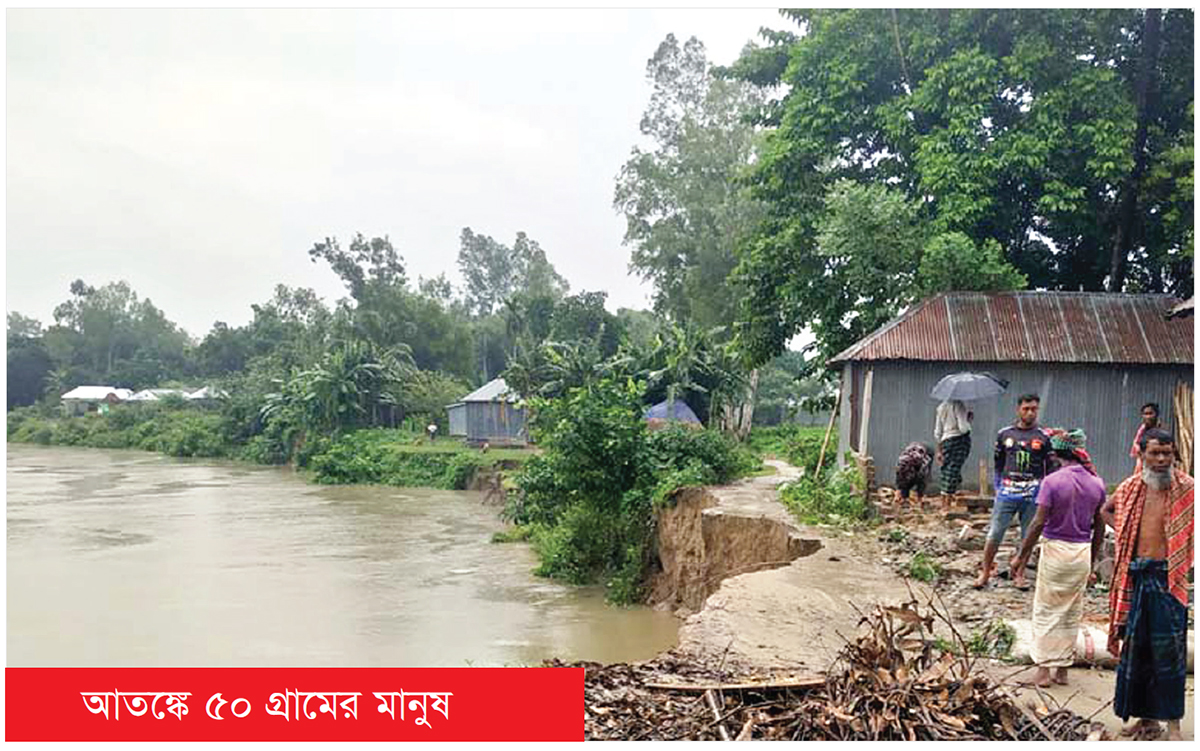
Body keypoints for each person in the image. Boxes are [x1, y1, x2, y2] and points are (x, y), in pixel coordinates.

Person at [1100, 428, 1193, 741]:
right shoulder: (1129, 489)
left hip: (1170, 580)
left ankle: (1174, 726)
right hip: (1135, 577)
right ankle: (1146, 719)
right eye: (1155, 453)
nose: (1162, 459)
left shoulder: (1188, 489)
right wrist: (1123, 533)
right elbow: (1105, 510)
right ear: (1141, 454)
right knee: (1137, 653)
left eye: (1167, 453)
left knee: (1170, 654)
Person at [1009, 429, 1106, 688]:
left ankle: (1042, 671)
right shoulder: (1097, 483)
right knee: (1071, 611)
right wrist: (1093, 562)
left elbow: (1038, 523)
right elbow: (1100, 527)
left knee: (1046, 610)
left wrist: (1021, 556)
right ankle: (1062, 669)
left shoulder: (1052, 482)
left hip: (1056, 550)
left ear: (1057, 453)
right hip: (1082, 552)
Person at [974, 393, 1050, 590]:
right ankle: (985, 573)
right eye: (1026, 409)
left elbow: (1049, 467)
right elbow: (998, 462)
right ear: (1018, 410)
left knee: (1027, 536)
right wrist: (998, 486)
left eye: (1034, 409)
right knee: (995, 533)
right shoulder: (1005, 434)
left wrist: (1042, 491)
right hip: (1007, 493)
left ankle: (1020, 574)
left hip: (1032, 495)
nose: (1030, 413)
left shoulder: (1043, 437)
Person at [934, 398, 972, 512]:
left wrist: (939, 450)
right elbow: (963, 428)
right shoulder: (958, 404)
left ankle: (944, 502)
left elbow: (937, 432)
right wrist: (968, 419)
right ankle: (947, 505)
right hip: (958, 440)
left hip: (945, 441)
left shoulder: (940, 407)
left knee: (947, 470)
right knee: (953, 470)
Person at [894, 442, 933, 510]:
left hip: (926, 450)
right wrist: (899, 491)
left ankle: (919, 500)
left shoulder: (921, 463)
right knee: (904, 483)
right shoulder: (901, 466)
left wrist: (919, 496)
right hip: (913, 454)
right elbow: (900, 480)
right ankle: (905, 500)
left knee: (921, 479)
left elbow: (922, 479)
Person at [1129, 402, 1162, 473]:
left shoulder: (1161, 431)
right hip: (1142, 459)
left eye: (1150, 413)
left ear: (1156, 415)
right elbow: (1136, 443)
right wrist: (1140, 452)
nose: (1148, 417)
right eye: (1145, 414)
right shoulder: (1142, 430)